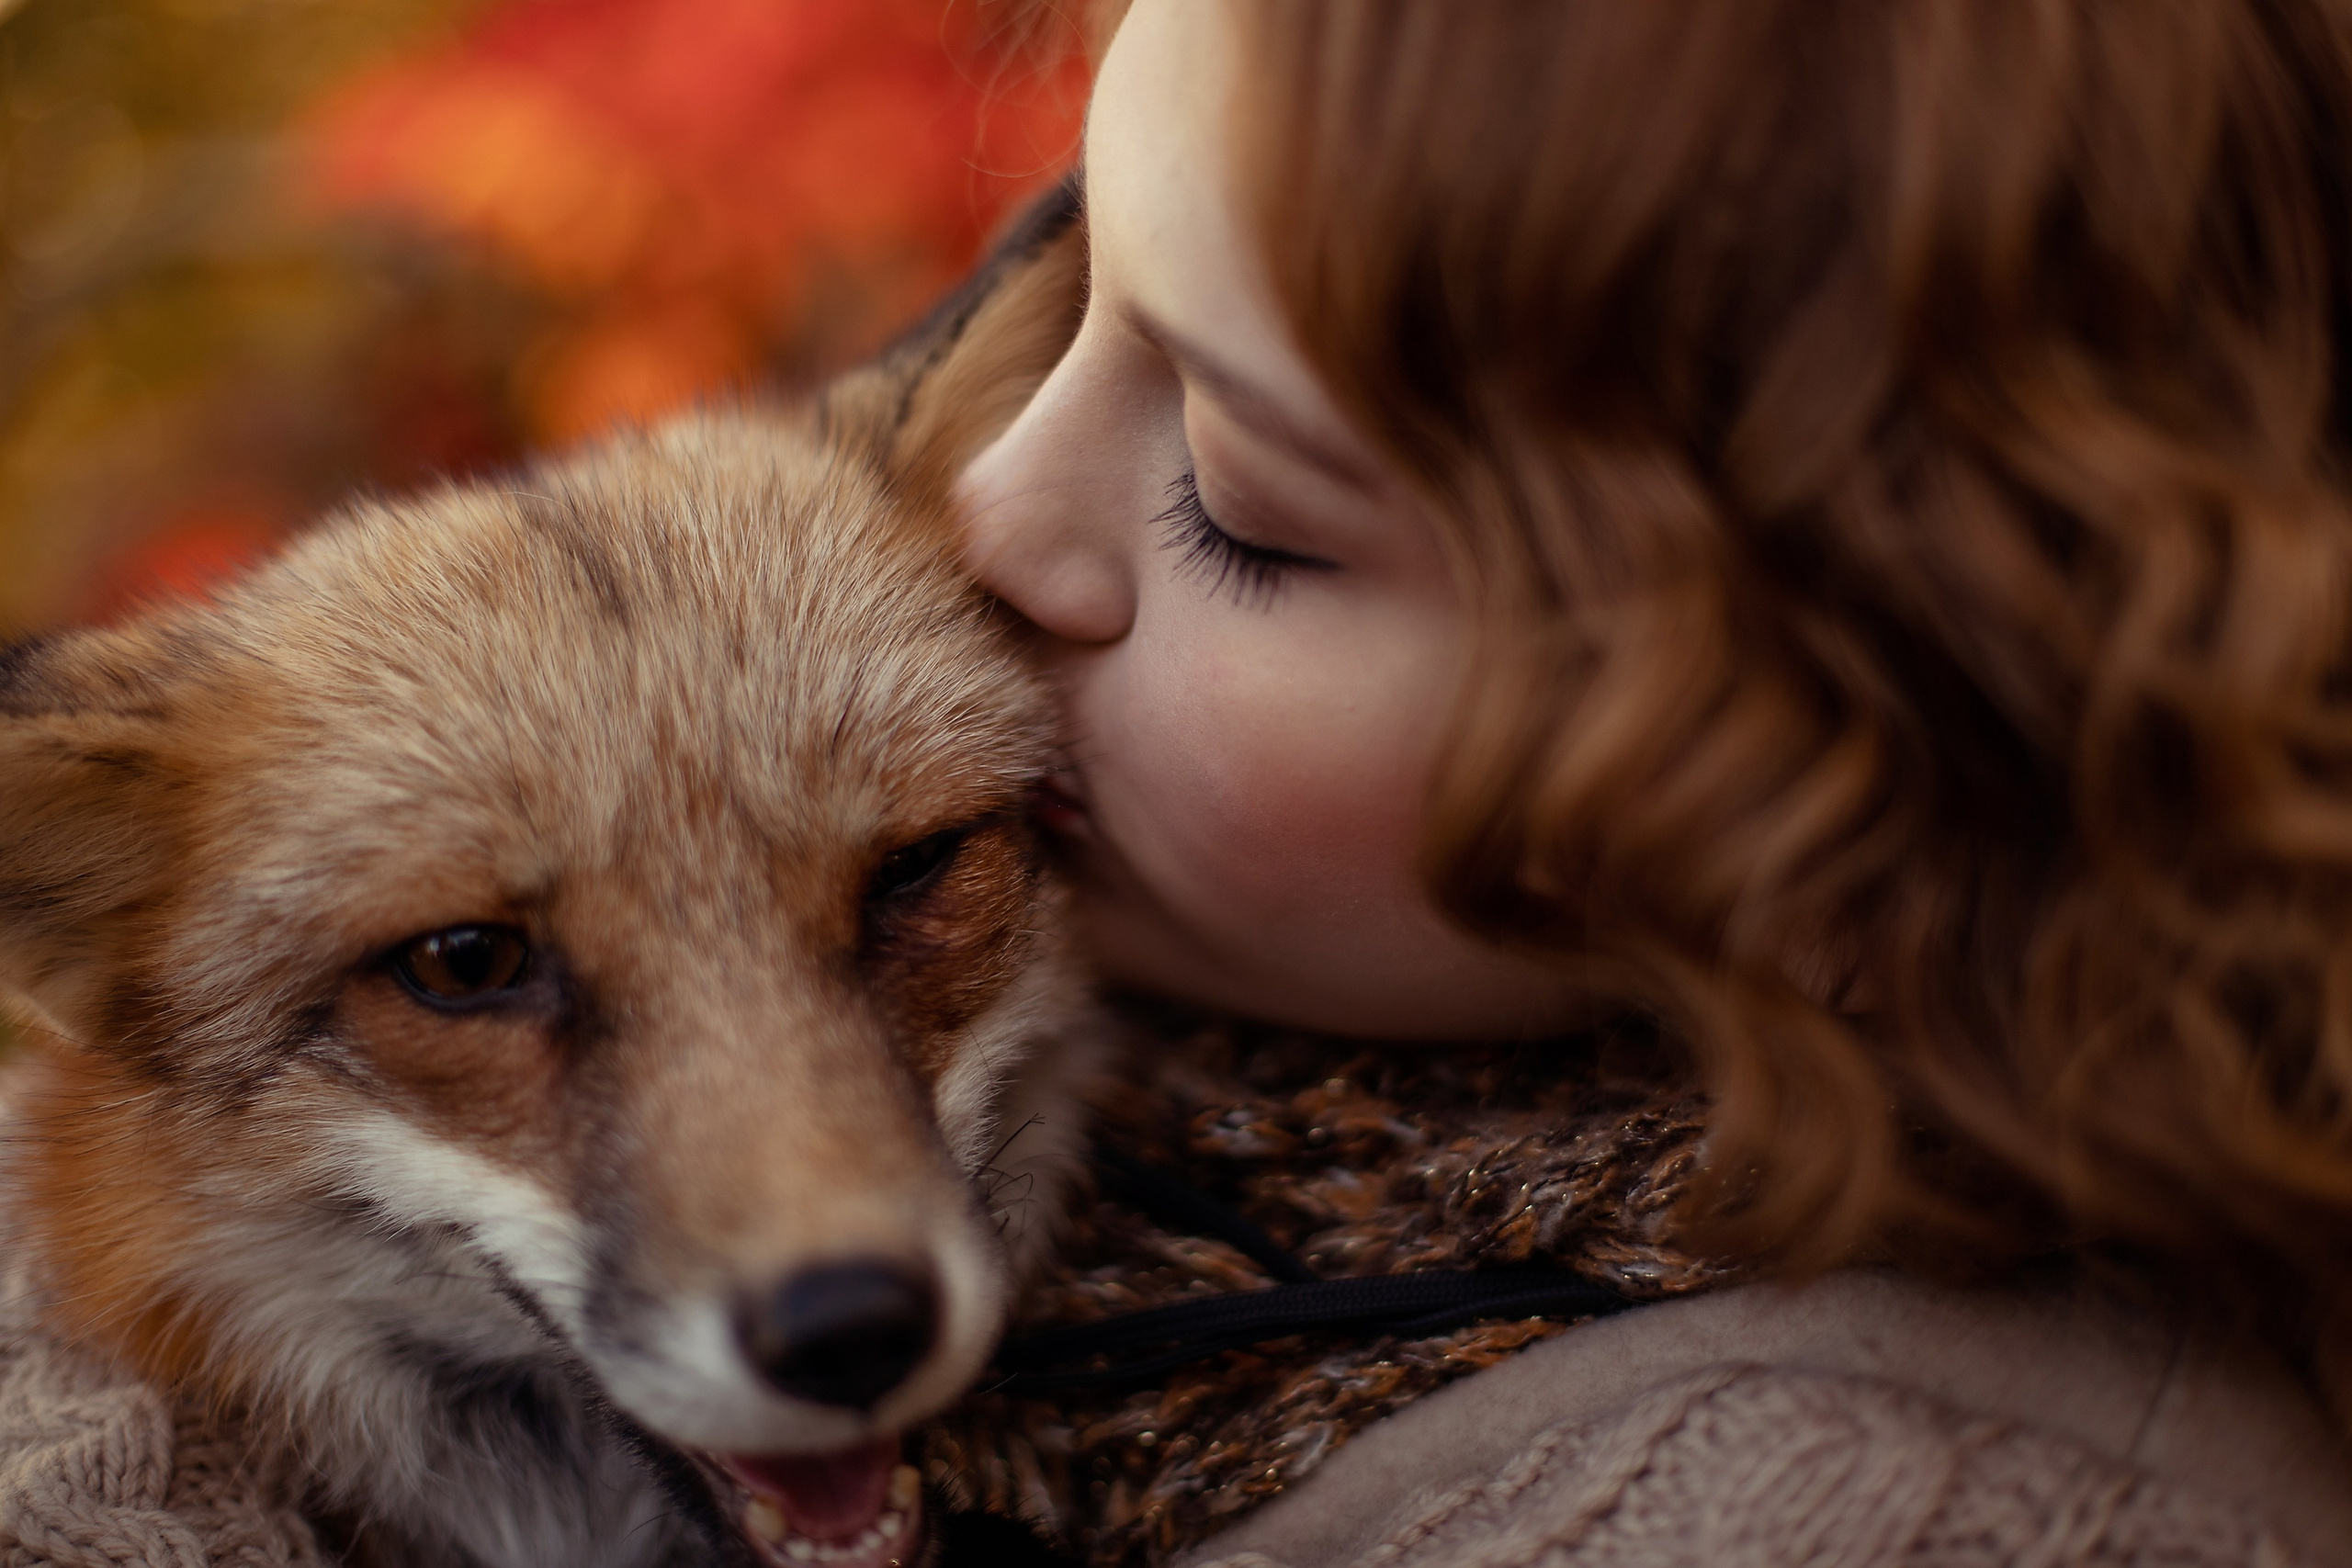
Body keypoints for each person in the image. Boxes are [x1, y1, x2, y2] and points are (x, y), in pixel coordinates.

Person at [956, 1, 2352, 1562]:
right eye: (1074, 272)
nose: (986, 504)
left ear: (1855, 820)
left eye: (1239, 508)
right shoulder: (1262, 1040)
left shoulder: (1880, 1521)